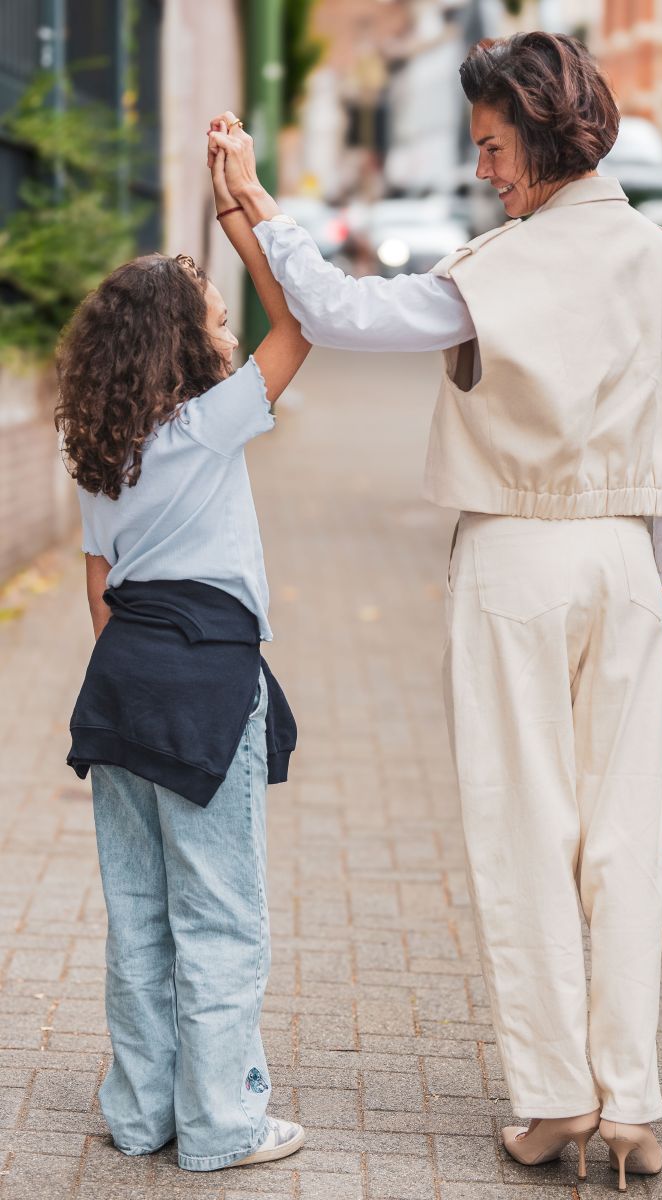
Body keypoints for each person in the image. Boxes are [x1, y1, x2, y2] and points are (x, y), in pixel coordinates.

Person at [207, 30, 662, 1191]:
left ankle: (552, 1103)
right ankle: (631, 1109)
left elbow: (342, 316)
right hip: (631, 568)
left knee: (525, 829)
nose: (485, 169)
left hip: (517, 563)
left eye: (492, 146)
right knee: (625, 838)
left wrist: (259, 209)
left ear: (539, 133)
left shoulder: (507, 269)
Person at [55, 120, 310, 1172]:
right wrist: (243, 220)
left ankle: (140, 1111)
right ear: (184, 342)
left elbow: (99, 595)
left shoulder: (101, 450)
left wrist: (137, 681)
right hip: (206, 683)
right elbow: (301, 325)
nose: (225, 323)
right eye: (212, 311)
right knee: (222, 912)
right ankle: (220, 1123)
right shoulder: (210, 421)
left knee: (140, 908)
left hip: (120, 693)